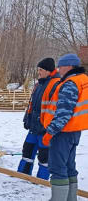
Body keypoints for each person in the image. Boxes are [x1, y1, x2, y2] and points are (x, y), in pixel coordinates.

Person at [41, 54, 88, 201]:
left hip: (62, 132)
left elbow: (63, 114)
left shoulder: (70, 83)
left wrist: (50, 132)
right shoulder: (84, 80)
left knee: (57, 168)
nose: (58, 69)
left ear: (69, 66)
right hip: (74, 131)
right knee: (69, 167)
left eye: (61, 66)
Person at [17, 58, 60, 179]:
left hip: (46, 129)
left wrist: (51, 127)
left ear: (48, 70)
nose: (38, 72)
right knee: (27, 152)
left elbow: (56, 109)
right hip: (33, 127)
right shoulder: (38, 84)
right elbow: (31, 104)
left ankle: (42, 181)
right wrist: (27, 119)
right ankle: (23, 177)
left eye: (40, 70)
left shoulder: (56, 84)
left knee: (44, 157)